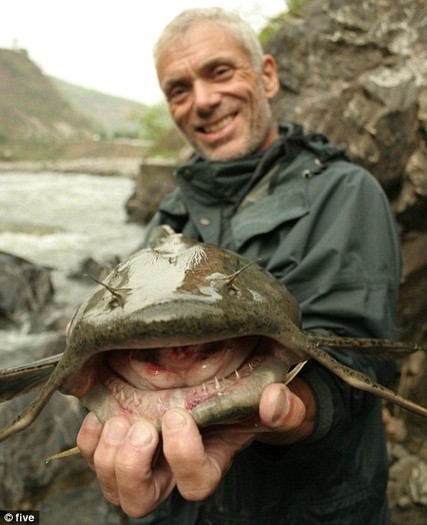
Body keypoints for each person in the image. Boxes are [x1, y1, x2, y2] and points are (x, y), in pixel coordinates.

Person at [76, 8, 401, 524]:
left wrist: (291, 409)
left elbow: (360, 361)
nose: (202, 101)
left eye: (220, 72)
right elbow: (118, 348)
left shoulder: (345, 192)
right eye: (179, 89)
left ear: (266, 75)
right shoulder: (165, 219)